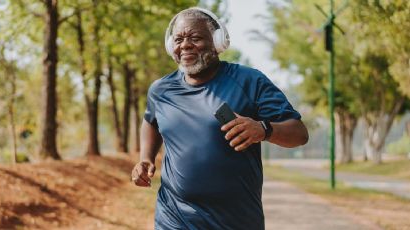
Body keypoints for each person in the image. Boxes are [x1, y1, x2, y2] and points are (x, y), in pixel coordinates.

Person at [131, 7, 308, 230]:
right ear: (170, 46)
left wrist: (264, 129)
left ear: (218, 42)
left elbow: (299, 134)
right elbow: (151, 121)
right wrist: (146, 157)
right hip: (173, 217)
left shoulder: (249, 81)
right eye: (178, 39)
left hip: (235, 221)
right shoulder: (160, 90)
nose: (185, 45)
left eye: (195, 38)